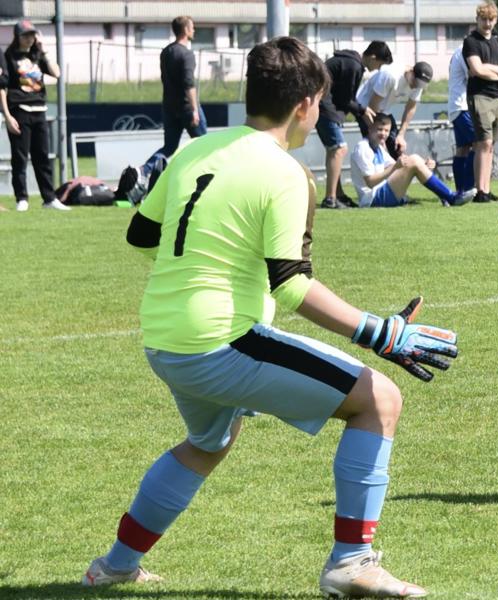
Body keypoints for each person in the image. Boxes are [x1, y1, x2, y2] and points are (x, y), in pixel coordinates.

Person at [81, 37, 458, 597]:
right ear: (307, 102)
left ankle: (113, 566)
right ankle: (351, 563)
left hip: (164, 338)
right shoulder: (285, 174)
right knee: (379, 401)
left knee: (209, 443)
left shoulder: (195, 150)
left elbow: (140, 235)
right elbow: (291, 286)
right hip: (220, 342)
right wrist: (379, 332)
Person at [316, 42, 392, 209]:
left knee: (333, 150)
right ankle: (330, 199)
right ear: (372, 57)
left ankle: (338, 195)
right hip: (324, 108)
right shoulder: (354, 66)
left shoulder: (350, 62)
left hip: (322, 107)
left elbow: (344, 96)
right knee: (338, 149)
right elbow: (344, 99)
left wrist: (361, 110)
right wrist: (362, 110)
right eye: (379, 64)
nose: (378, 69)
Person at [0, 19, 66, 211]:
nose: (29, 38)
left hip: (39, 112)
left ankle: (49, 199)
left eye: (32, 34)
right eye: (26, 35)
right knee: (20, 158)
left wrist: (44, 50)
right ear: (18, 37)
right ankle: (22, 198)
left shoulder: (38, 55)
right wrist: (7, 115)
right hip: (19, 112)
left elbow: (57, 73)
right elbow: (2, 88)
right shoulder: (8, 57)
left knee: (43, 157)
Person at [350, 112, 474, 208]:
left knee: (415, 159)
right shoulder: (363, 148)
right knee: (414, 159)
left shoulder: (378, 148)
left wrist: (423, 165)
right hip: (372, 200)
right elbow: (370, 182)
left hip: (380, 193)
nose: (383, 134)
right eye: (379, 129)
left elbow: (401, 166)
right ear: (370, 129)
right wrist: (399, 166)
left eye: (386, 130)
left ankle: (446, 196)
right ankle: (450, 197)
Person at [463, 1, 498, 203]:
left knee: (491, 144)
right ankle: (480, 191)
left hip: (497, 96)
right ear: (477, 19)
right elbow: (476, 70)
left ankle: (486, 188)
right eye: (484, 19)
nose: (487, 23)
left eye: (491, 19)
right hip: (479, 96)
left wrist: (490, 69)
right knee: (483, 142)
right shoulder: (471, 42)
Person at [356, 53, 433, 160]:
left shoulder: (418, 84)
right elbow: (373, 105)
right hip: (365, 107)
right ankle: (373, 173)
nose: (416, 86)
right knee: (374, 147)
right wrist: (378, 135)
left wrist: (401, 135)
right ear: (410, 72)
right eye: (416, 82)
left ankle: (397, 173)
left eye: (421, 85)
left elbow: (411, 107)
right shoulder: (391, 75)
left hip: (384, 109)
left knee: (397, 148)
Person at [156, 17, 206, 164]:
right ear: (185, 30)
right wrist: (194, 109)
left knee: (169, 147)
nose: (194, 30)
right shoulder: (186, 54)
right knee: (205, 145)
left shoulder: (166, 52)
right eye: (192, 27)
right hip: (187, 107)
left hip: (169, 107)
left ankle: (144, 171)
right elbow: (188, 83)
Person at [447, 45, 476, 194]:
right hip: (462, 105)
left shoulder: (458, 50)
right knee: (479, 143)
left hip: (455, 106)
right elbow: (473, 73)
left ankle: (460, 190)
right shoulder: (466, 50)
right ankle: (471, 188)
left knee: (462, 149)